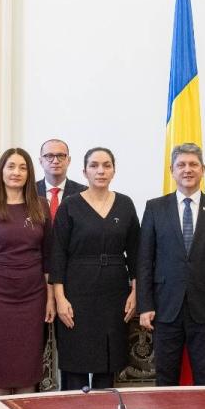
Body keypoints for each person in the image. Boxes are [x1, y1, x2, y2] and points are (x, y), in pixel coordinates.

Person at [137, 143, 205, 386]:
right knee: (165, 377)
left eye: (193, 164)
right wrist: (145, 305)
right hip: (165, 307)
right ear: (172, 170)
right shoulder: (155, 207)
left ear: (203, 169)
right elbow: (145, 260)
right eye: (181, 165)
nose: (187, 169)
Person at [49, 147, 140, 389]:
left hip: (114, 292)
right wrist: (60, 299)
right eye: (94, 165)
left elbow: (136, 253)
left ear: (114, 171)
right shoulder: (69, 205)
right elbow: (57, 254)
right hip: (76, 292)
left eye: (107, 165)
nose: (101, 171)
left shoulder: (125, 204)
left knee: (108, 361)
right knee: (75, 361)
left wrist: (135, 291)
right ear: (84, 172)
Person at [0, 147, 55, 395]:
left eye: (22, 167)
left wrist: (50, 299)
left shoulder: (40, 206)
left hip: (32, 298)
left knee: (28, 367)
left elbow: (48, 258)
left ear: (29, 173)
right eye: (11, 166)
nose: (16, 172)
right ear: (1, 171)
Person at [37, 138, 87, 220]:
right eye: (49, 156)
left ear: (69, 160)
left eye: (60, 156)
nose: (55, 161)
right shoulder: (29, 191)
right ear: (41, 161)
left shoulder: (84, 193)